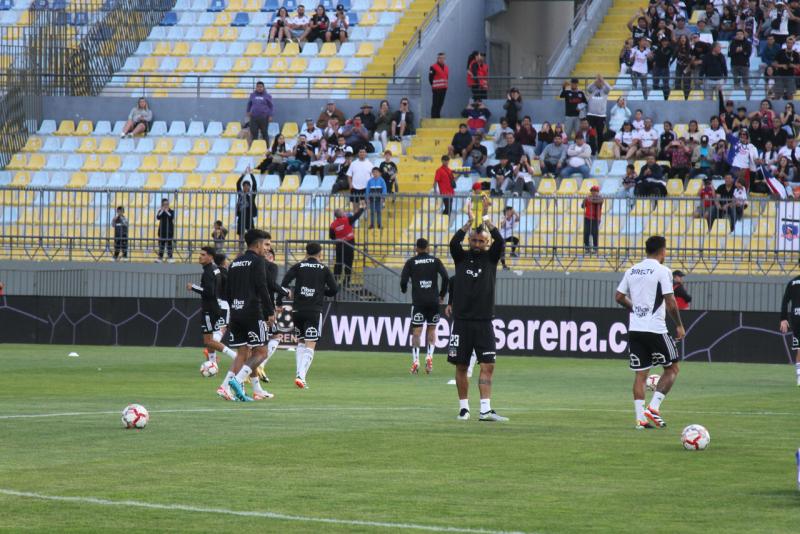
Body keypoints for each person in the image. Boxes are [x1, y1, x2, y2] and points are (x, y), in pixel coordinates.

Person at [615, 235, 685, 430]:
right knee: (672, 369)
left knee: (641, 375)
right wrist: (679, 325)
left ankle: (640, 420)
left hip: (636, 329)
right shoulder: (663, 271)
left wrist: (636, 310)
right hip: (655, 329)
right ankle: (653, 408)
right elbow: (670, 302)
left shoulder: (632, 270)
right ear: (662, 251)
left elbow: (619, 296)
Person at [448, 200, 508, 422]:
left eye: (480, 240)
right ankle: (464, 408)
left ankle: (485, 409)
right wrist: (469, 221)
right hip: (462, 321)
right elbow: (454, 242)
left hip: (484, 321)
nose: (476, 243)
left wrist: (485, 219)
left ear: (486, 242)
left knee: (488, 365)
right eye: (473, 239)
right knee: (462, 365)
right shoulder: (461, 257)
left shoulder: (491, 258)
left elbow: (500, 241)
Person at [220, 229, 274, 402]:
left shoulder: (235, 263)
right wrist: (269, 311)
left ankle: (235, 390)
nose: (267, 249)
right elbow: (262, 287)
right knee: (262, 352)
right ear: (257, 244)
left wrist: (235, 308)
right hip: (253, 312)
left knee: (243, 352)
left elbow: (227, 291)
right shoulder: (258, 261)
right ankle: (237, 381)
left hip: (236, 313)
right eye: (266, 245)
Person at [280, 242, 339, 389]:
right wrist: (320, 291)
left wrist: (283, 296)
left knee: (300, 342)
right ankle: (301, 376)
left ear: (306, 253)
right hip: (313, 311)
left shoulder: (298, 266)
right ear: (320, 254)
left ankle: (299, 374)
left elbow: (284, 282)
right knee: (310, 344)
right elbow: (334, 289)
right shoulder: (324, 269)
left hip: (297, 310)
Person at [186, 246, 238, 376]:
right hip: (216, 307)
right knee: (212, 340)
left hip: (209, 309)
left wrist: (193, 287)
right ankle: (213, 364)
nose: (200, 256)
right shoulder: (215, 270)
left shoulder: (209, 272)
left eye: (203, 254)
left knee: (209, 341)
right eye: (200, 254)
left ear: (210, 257)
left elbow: (209, 292)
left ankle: (235, 356)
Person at [400, 237, 448, 375]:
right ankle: (429, 357)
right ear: (428, 248)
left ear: (416, 248)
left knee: (416, 333)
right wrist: (442, 294)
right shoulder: (435, 261)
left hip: (419, 302)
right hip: (433, 302)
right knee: (431, 331)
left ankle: (416, 361)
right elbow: (445, 277)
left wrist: (403, 289)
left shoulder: (411, 262)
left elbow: (403, 280)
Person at [444, 276, 477, 378]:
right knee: (455, 346)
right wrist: (449, 304)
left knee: (473, 345)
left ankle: (469, 370)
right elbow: (451, 294)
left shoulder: (477, 279)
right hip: (459, 318)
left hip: (474, 317)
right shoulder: (454, 279)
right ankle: (460, 370)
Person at [329, 205, 364, 288]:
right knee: (348, 264)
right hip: (349, 245)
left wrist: (339, 237)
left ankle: (335, 281)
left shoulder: (333, 225)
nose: (344, 212)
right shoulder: (347, 220)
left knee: (338, 263)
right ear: (341, 214)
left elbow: (332, 236)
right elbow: (356, 216)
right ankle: (346, 282)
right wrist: (362, 208)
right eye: (343, 211)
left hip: (339, 246)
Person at [779, 273, 800, 386]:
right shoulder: (792, 283)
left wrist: (783, 318)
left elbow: (785, 301)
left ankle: (799, 377)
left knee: (799, 349)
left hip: (796, 318)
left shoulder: (792, 282)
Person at [346, 147, 372, 212]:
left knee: (367, 206)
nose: (362, 153)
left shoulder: (370, 164)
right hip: (355, 187)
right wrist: (350, 184)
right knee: (355, 207)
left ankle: (366, 219)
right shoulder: (353, 163)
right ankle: (356, 220)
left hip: (366, 188)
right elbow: (349, 175)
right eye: (360, 152)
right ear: (358, 153)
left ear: (366, 153)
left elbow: (372, 176)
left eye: (363, 152)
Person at [235, 170, 258, 243]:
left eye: (247, 186)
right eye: (244, 186)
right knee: (241, 234)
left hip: (249, 216)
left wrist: (251, 174)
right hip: (241, 216)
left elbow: (255, 185)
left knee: (251, 233)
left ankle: (251, 247)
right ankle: (240, 248)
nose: (246, 187)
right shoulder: (240, 194)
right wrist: (243, 174)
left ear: (249, 187)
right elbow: (238, 183)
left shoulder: (252, 195)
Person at [586, 75, 610, 140]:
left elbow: (609, 88)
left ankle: (599, 149)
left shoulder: (605, 90)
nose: (599, 83)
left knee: (600, 134)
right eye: (598, 82)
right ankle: (592, 149)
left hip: (601, 116)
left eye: (600, 82)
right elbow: (588, 88)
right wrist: (595, 81)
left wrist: (603, 81)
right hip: (591, 115)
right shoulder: (592, 89)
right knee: (591, 133)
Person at [582, 185, 603, 254]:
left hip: (596, 218)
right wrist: (584, 201)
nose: (594, 192)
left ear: (598, 192)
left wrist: (588, 199)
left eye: (596, 191)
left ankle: (595, 249)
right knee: (586, 232)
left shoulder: (600, 198)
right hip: (587, 217)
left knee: (595, 233)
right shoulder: (587, 198)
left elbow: (598, 201)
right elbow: (582, 206)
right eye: (593, 191)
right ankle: (587, 248)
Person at [498, 206, 519, 270]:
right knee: (502, 251)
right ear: (506, 212)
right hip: (502, 237)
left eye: (510, 211)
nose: (509, 212)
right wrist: (506, 217)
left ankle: (512, 252)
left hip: (508, 236)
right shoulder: (502, 217)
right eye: (508, 211)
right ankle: (504, 266)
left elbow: (518, 218)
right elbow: (502, 225)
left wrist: (514, 211)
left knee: (516, 240)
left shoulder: (513, 217)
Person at [429, 52, 448, 118]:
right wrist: (434, 85)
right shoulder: (433, 67)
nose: (442, 59)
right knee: (435, 103)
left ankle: (438, 115)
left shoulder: (446, 67)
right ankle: (433, 116)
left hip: (444, 88)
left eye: (443, 58)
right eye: (441, 58)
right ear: (438, 59)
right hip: (436, 89)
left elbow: (446, 77)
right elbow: (430, 78)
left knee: (441, 103)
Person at [156, 198, 174, 263]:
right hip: (162, 231)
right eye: (164, 204)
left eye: (167, 204)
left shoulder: (171, 211)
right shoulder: (160, 211)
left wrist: (166, 211)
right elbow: (158, 217)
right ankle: (160, 258)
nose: (166, 205)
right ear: (162, 205)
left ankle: (170, 257)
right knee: (161, 245)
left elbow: (171, 217)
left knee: (169, 245)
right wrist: (162, 210)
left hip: (169, 231)